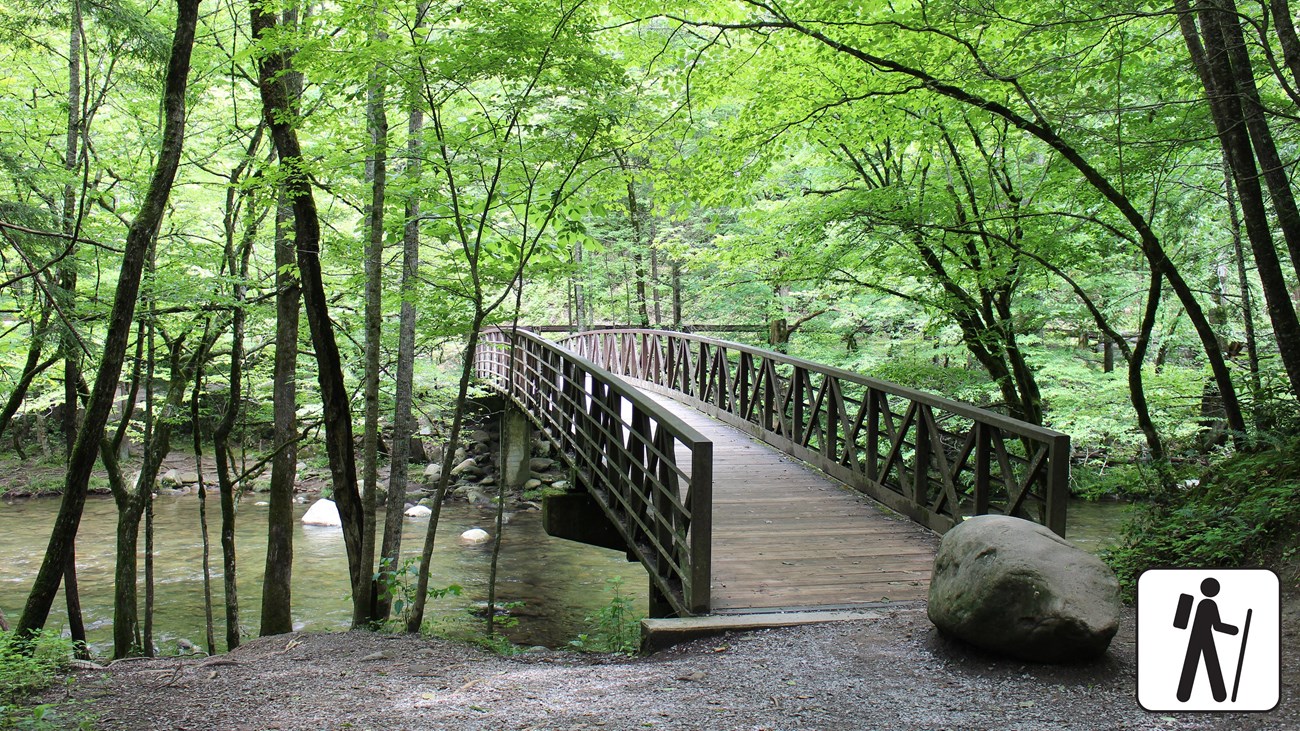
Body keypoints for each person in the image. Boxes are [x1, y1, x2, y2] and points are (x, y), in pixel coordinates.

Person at [1177, 577, 1239, 702]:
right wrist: (1234, 630)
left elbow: (1180, 622)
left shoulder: (1188, 598)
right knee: (1211, 664)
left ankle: (1183, 695)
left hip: (1197, 636)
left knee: (1192, 663)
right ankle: (1219, 695)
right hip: (1204, 637)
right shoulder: (1208, 603)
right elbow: (1217, 626)